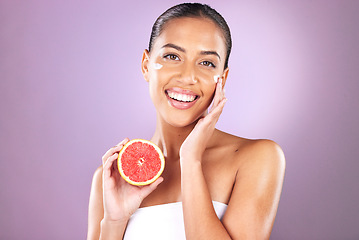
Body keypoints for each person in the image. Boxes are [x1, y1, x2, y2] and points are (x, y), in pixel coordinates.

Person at [87, 3, 285, 240]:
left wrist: (191, 160)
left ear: (222, 78)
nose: (187, 76)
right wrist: (115, 221)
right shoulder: (112, 177)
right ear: (146, 65)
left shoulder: (257, 157)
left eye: (206, 63)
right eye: (172, 56)